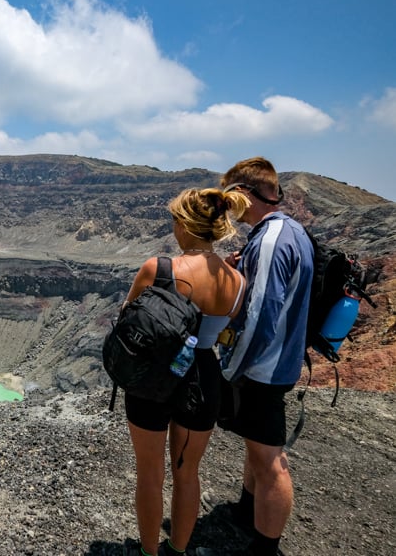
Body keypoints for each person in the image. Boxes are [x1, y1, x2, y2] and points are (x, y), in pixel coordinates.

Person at [124, 187, 249, 556]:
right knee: (187, 472)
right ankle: (177, 551)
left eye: (175, 220)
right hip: (204, 377)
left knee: (150, 473)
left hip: (153, 378)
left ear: (184, 225)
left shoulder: (159, 269)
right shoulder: (237, 281)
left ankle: (148, 551)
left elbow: (128, 320)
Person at [202, 157, 315, 556]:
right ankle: (246, 510)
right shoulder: (288, 231)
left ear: (242, 196)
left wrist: (232, 370)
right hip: (276, 362)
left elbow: (262, 313)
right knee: (256, 445)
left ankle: (265, 548)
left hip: (262, 368)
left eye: (227, 199)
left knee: (269, 459)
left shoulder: (269, 240)